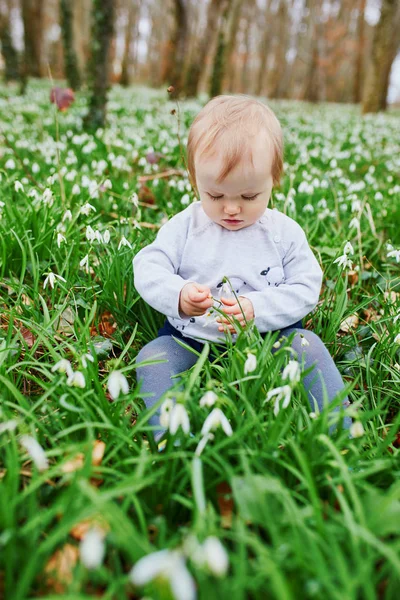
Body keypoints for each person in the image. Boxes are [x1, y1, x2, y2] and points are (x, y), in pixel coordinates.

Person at [133, 95, 352, 442]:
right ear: (194, 180)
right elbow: (148, 265)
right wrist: (178, 295)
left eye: (249, 197)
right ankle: (172, 442)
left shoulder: (282, 233)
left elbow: (307, 285)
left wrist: (258, 309)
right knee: (152, 359)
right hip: (189, 337)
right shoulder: (185, 226)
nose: (231, 208)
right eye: (215, 195)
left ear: (274, 178)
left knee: (307, 345)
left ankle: (339, 433)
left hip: (271, 337)